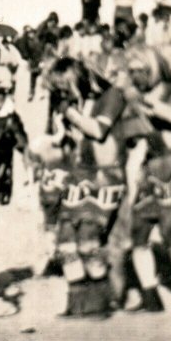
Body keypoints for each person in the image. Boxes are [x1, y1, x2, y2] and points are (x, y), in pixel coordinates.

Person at [38, 58, 129, 317]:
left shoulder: (112, 95)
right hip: (79, 174)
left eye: (64, 87)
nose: (61, 94)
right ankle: (77, 302)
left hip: (106, 176)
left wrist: (69, 114)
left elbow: (98, 130)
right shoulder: (73, 104)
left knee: (88, 241)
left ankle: (99, 302)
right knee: (66, 242)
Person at [124, 46, 171, 314]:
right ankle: (150, 296)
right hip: (152, 167)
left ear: (153, 67)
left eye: (141, 71)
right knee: (139, 231)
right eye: (132, 72)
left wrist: (138, 103)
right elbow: (134, 135)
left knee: (170, 233)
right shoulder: (143, 95)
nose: (136, 76)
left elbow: (169, 115)